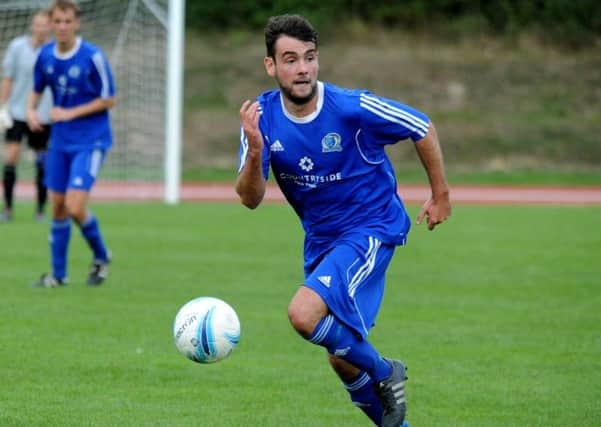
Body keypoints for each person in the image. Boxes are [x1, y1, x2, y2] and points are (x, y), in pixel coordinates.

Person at [236, 14, 451, 427]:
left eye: (310, 58)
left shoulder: (352, 108)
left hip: (370, 228)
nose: (302, 69)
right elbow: (250, 199)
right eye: (291, 59)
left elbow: (420, 125)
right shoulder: (259, 120)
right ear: (271, 66)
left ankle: (387, 371)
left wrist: (441, 195)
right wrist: (255, 151)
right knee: (342, 359)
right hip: (322, 241)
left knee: (303, 314)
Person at [28, 0, 116, 288]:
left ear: (76, 23)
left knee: (75, 206)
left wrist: (69, 112)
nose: (63, 26)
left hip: (91, 140)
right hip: (60, 140)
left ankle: (102, 256)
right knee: (57, 207)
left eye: (68, 21)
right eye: (58, 21)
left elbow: (108, 98)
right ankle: (58, 276)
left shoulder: (93, 56)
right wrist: (31, 111)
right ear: (51, 24)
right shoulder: (44, 56)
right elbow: (37, 89)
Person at [0, 10, 53, 222]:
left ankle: (40, 210)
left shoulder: (52, 51)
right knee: (10, 158)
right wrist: (2, 107)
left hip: (43, 115)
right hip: (17, 112)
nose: (40, 28)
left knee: (42, 163)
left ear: (49, 27)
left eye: (44, 25)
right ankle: (8, 209)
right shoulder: (17, 47)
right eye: (37, 24)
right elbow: (8, 78)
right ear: (32, 25)